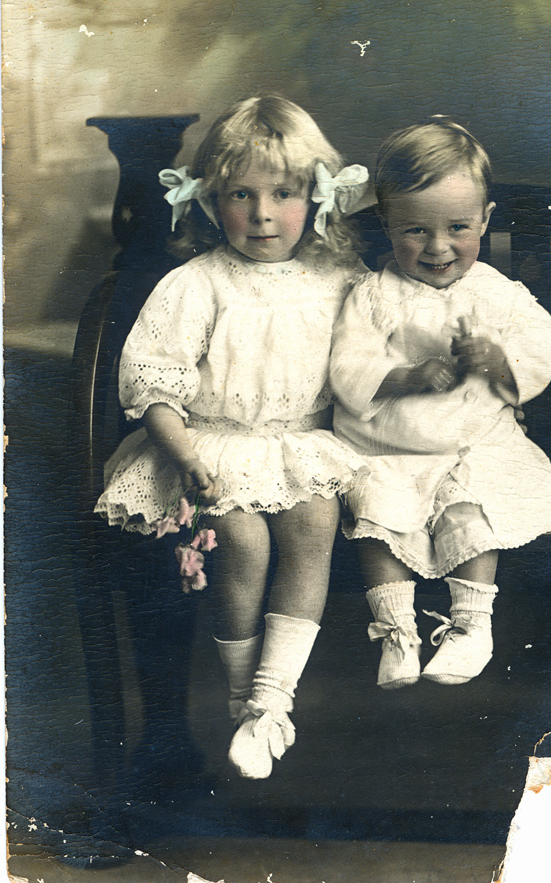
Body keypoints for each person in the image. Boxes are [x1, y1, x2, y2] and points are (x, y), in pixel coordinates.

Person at [95, 94, 370, 778]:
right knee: (240, 539)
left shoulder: (340, 280)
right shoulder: (196, 283)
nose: (263, 213)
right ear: (212, 203)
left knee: (315, 518)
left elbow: (374, 360)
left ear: (317, 198)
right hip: (205, 447)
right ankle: (243, 695)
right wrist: (184, 455)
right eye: (241, 195)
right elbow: (153, 384)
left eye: (283, 193)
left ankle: (272, 702)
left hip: (300, 444)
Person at [330, 117, 551, 690]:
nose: (438, 248)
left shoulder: (498, 294)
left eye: (458, 227)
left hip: (474, 442)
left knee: (470, 511)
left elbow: (541, 355)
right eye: (416, 230)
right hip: (390, 444)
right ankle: (396, 633)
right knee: (378, 519)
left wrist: (496, 362)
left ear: (485, 221)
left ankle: (471, 627)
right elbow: (348, 368)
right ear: (387, 223)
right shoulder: (371, 296)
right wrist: (408, 377)